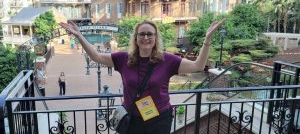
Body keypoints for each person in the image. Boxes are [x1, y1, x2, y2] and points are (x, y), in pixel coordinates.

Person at [59, 19, 225, 134]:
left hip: (159, 119)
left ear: (155, 38)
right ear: (136, 38)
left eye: (150, 34)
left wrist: (207, 40)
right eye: (142, 34)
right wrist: (80, 36)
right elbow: (96, 57)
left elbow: (198, 66)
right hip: (132, 119)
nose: (146, 37)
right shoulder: (124, 59)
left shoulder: (167, 60)